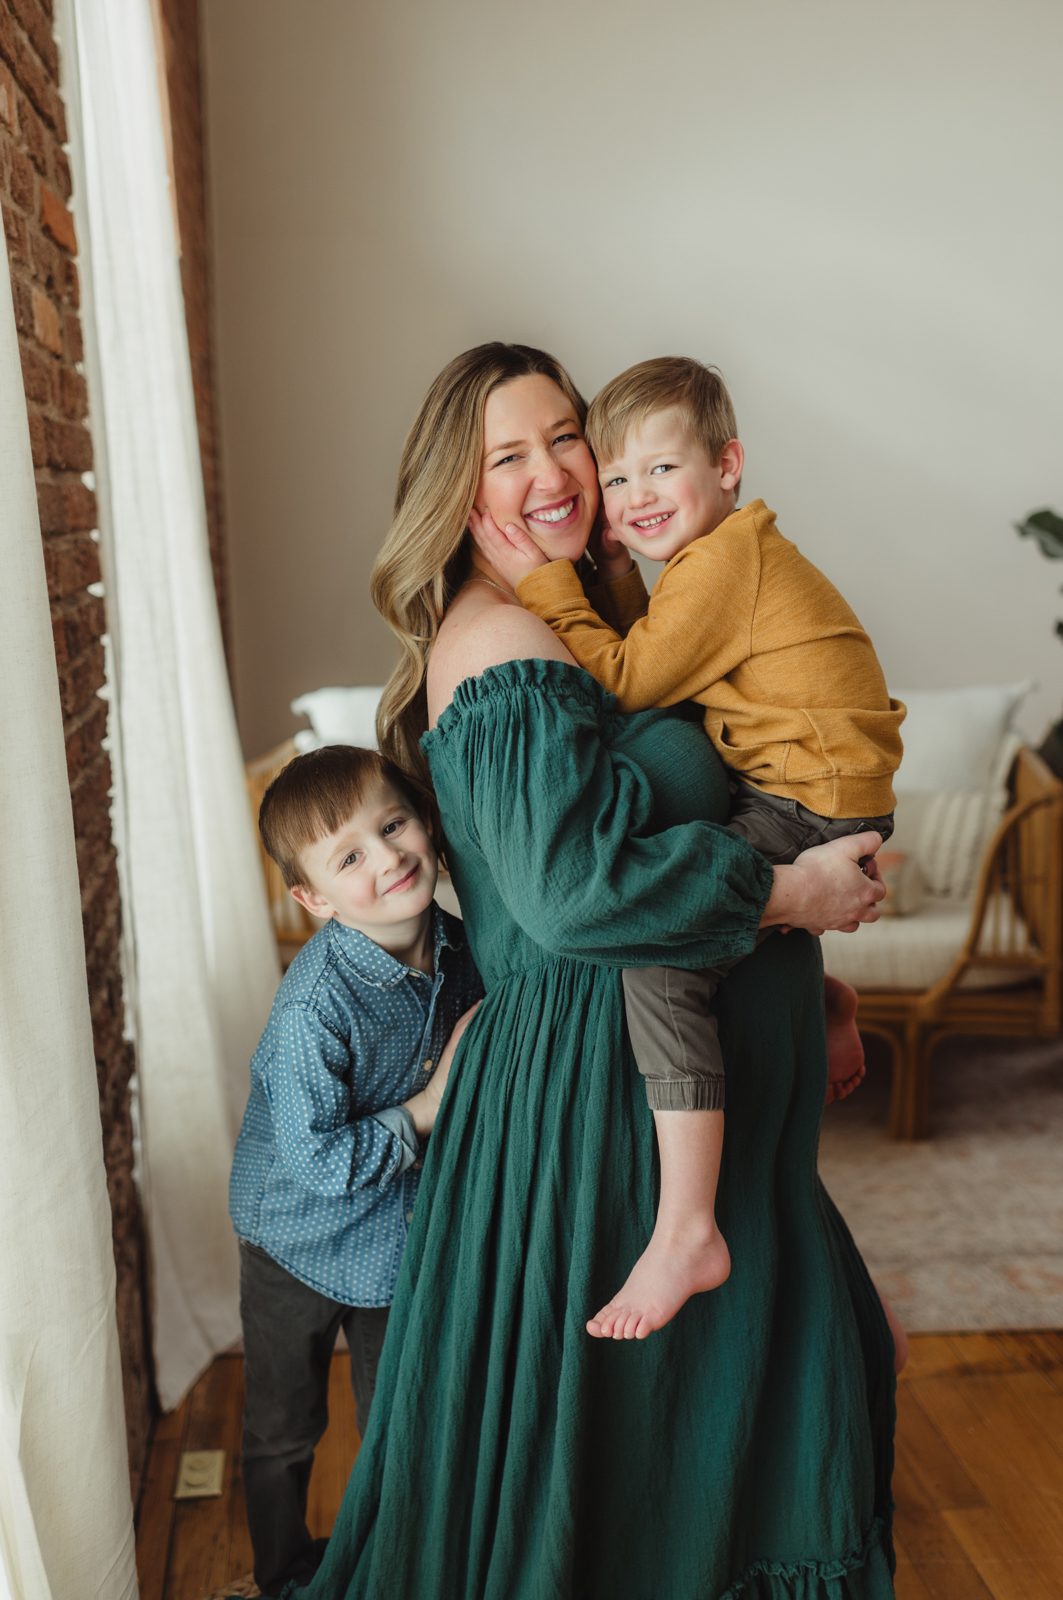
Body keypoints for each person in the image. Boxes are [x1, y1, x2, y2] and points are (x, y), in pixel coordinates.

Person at [283, 344, 896, 1600]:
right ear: (459, 495)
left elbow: (721, 807)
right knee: (638, 1488)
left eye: (567, 436)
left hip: (708, 1105)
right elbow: (575, 899)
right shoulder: (499, 645)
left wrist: (821, 992)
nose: (558, 472)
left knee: (769, 1419)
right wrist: (790, 894)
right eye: (510, 455)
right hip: (602, 1112)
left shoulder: (614, 614)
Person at [472, 354, 906, 1342]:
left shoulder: (720, 563)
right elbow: (666, 666)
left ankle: (686, 1228)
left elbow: (629, 680)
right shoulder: (720, 561)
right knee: (728, 884)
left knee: (669, 943)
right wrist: (617, 573)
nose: (632, 497)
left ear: (727, 465)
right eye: (615, 479)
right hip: (814, 788)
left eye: (660, 471)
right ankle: (830, 999)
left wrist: (549, 582)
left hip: (808, 798)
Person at [229, 744, 482, 1596]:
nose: (388, 857)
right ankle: (281, 1576)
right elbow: (320, 1162)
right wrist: (427, 1106)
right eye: (350, 856)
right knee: (282, 1425)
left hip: (392, 1241)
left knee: (399, 1419)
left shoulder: (460, 946)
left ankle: (389, 1566)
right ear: (312, 898)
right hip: (291, 1239)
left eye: (393, 823)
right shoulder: (314, 1007)